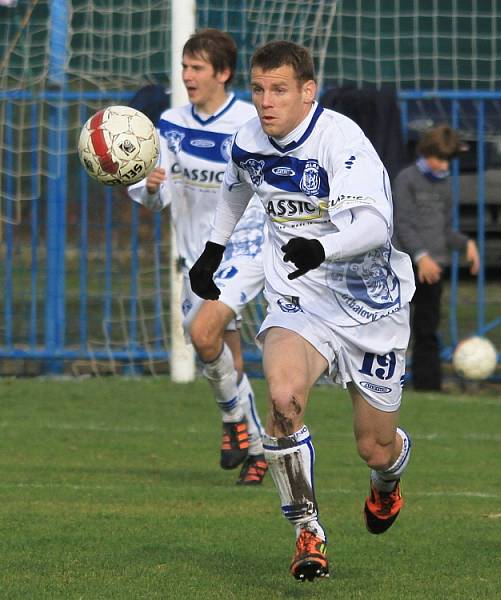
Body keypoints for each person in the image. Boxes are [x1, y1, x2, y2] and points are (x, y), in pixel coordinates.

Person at [188, 40, 415, 582]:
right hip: (299, 298)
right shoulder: (249, 138)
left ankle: (387, 484)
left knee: (375, 447)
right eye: (259, 89)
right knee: (284, 397)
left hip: (370, 306)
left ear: (307, 92)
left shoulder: (342, 140)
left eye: (280, 90)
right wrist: (213, 253)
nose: (267, 102)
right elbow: (235, 189)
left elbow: (376, 225)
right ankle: (307, 531)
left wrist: (322, 247)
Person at [127, 29, 268, 485]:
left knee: (203, 332)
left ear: (223, 73)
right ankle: (254, 444)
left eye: (197, 68)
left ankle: (236, 425)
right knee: (220, 348)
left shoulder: (250, 122)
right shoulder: (169, 122)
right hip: (197, 256)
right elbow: (159, 196)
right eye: (185, 67)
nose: (187, 76)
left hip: (245, 246)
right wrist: (150, 187)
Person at [392, 126, 480, 390]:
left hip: (433, 270)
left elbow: (445, 229)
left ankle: (428, 384)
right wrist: (421, 257)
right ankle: (382, 384)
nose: (442, 165)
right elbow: (402, 224)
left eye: (447, 161)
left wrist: (466, 244)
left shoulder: (446, 185)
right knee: (392, 331)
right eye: (438, 159)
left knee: (427, 329)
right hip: (405, 267)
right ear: (426, 153)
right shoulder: (406, 179)